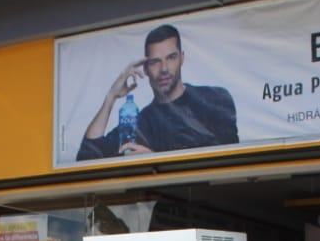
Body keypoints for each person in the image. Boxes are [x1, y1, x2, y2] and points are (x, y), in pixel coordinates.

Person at [77, 23, 237, 161]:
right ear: (145, 68)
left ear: (182, 58)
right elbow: (87, 157)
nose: (164, 69)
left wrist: (155, 161)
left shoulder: (215, 99)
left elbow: (228, 162)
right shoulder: (140, 124)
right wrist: (110, 97)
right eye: (155, 62)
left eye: (171, 58)